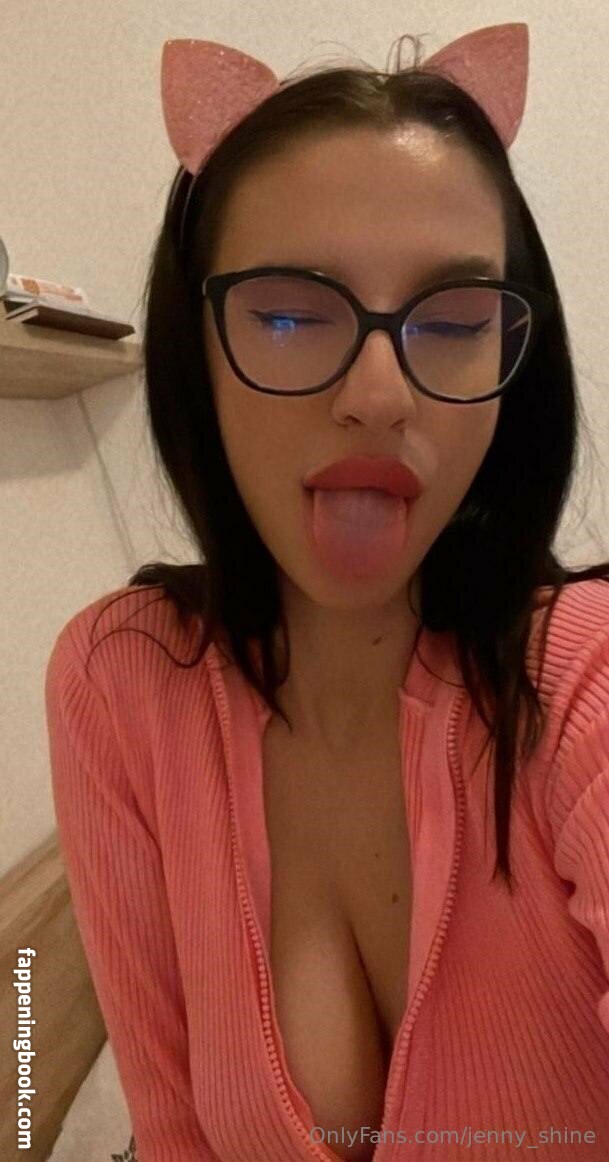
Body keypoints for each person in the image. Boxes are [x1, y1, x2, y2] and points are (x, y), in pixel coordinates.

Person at [45, 25, 609, 1162]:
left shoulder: (584, 679)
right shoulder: (120, 678)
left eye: (453, 323)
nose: (379, 395)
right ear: (195, 348)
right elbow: (171, 1128)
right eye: (291, 315)